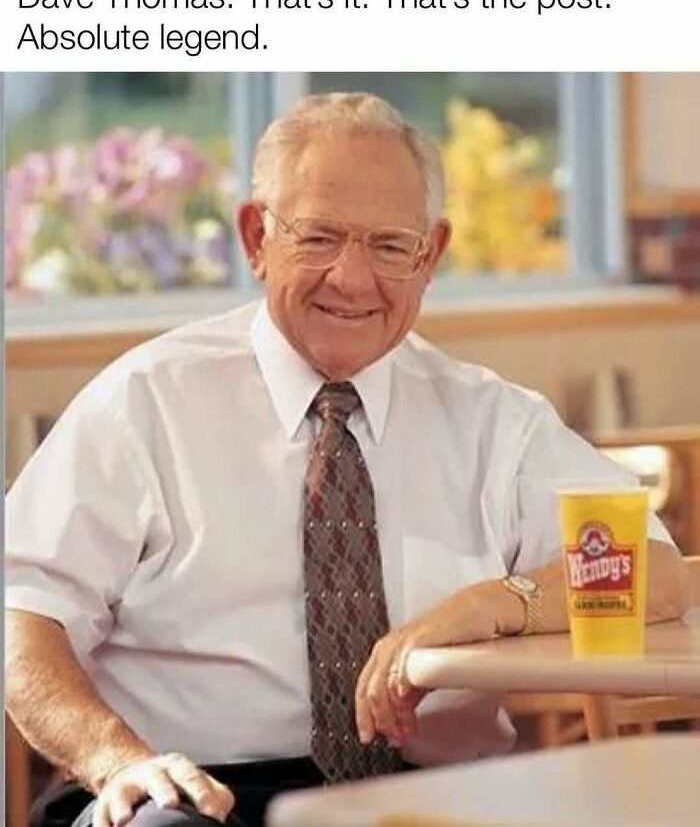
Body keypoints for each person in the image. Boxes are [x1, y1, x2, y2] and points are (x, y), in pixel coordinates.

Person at [6, 93, 689, 827]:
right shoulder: (144, 402)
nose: (353, 278)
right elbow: (21, 614)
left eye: (390, 245)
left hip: (435, 801)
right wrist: (122, 763)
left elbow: (655, 567)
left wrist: (483, 605)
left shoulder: (495, 420)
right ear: (255, 236)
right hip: (199, 795)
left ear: (431, 255)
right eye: (320, 237)